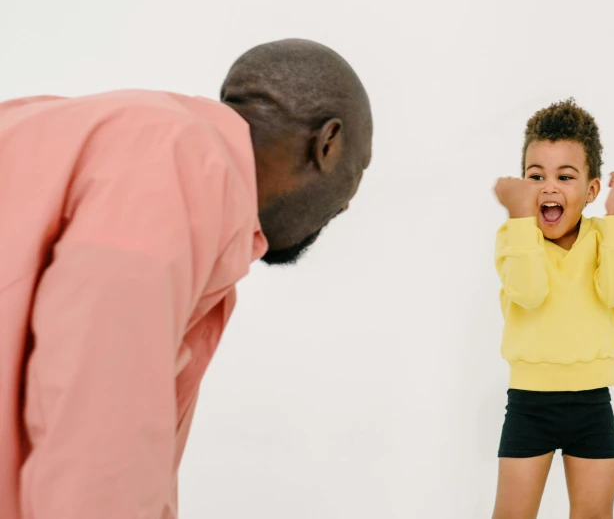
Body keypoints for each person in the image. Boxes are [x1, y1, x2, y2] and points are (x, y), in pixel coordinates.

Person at [0, 39, 372, 519]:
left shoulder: (54, 124)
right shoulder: (182, 161)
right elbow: (97, 424)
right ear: (328, 144)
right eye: (356, 175)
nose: (344, 205)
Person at [491, 99, 614, 519]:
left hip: (592, 402)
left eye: (565, 176)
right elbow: (529, 293)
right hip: (529, 403)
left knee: (595, 514)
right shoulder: (514, 237)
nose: (549, 187)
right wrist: (520, 219)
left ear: (591, 190)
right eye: (535, 176)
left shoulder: (603, 237)